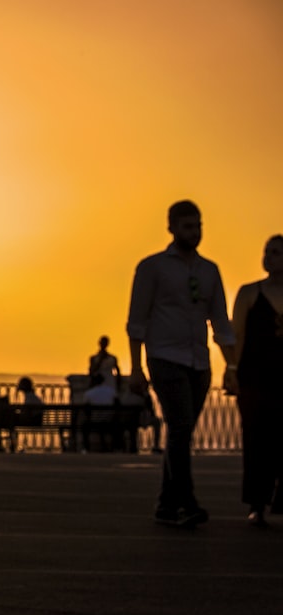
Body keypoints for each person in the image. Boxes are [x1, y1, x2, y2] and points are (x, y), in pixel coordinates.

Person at [127, 199, 236, 528]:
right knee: (180, 427)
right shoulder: (152, 268)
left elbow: (220, 322)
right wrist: (136, 369)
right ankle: (187, 501)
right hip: (164, 358)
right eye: (188, 226)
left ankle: (165, 503)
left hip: (199, 363)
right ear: (172, 228)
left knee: (180, 431)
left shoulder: (209, 271)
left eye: (199, 225)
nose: (195, 232)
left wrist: (232, 367)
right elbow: (137, 321)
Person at [231, 234, 283, 526]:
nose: (268, 257)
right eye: (266, 252)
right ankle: (257, 503)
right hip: (255, 380)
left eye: (275, 252)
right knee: (256, 441)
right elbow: (237, 334)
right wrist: (233, 371)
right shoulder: (250, 293)